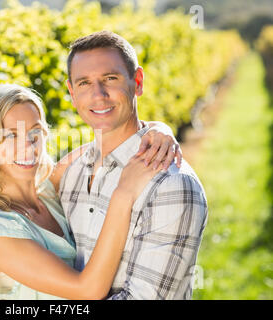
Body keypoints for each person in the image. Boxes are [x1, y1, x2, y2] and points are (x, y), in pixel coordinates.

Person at [0, 83, 182, 299]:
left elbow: (115, 143)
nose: (28, 146)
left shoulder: (48, 188)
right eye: (10, 135)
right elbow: (88, 290)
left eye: (34, 132)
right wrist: (124, 194)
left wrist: (159, 130)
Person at [59, 31, 208, 299]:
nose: (98, 95)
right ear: (71, 93)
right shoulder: (70, 174)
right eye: (84, 83)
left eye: (110, 78)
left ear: (137, 82)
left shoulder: (171, 183)